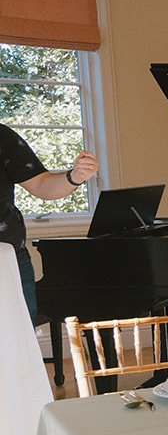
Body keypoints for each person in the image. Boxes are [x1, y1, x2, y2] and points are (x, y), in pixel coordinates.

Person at [0, 122, 97, 322]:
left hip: (9, 261)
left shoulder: (3, 137)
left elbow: (42, 185)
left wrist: (75, 176)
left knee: (20, 342)